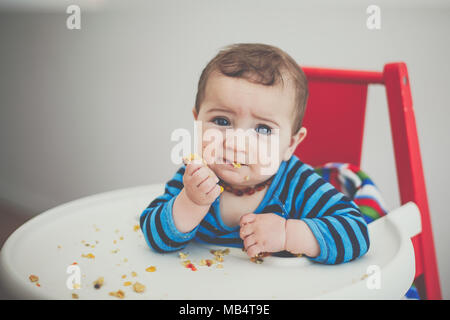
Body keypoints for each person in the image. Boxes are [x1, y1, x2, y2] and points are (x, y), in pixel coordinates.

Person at [140, 43, 369, 264]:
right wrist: (190, 204)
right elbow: (153, 237)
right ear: (197, 121)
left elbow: (357, 232)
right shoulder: (194, 179)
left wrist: (289, 234)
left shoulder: (297, 184)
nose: (237, 143)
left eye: (262, 129)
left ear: (290, 144)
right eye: (222, 121)